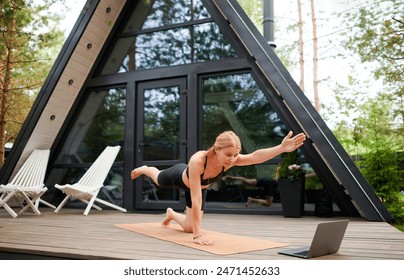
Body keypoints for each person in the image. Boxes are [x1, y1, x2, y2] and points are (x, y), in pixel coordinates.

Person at [131, 130, 306, 246]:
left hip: (201, 187)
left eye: (235, 155)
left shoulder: (231, 159)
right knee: (159, 179)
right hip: (180, 178)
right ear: (217, 149)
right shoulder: (198, 160)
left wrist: (281, 148)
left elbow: (254, 157)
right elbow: (196, 197)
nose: (232, 159)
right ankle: (147, 168)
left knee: (189, 227)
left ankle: (170, 213)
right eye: (228, 154)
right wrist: (198, 236)